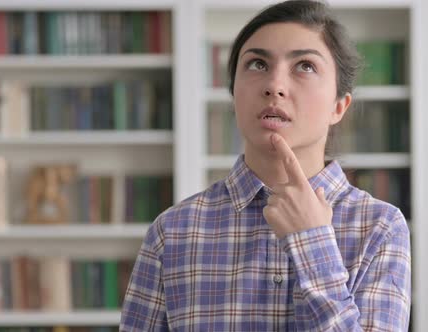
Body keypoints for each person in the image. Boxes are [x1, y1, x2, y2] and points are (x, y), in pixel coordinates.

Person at [120, 0, 411, 330]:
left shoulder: (379, 227)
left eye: (305, 66)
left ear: (339, 106)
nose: (275, 85)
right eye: (257, 64)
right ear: (234, 94)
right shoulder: (172, 232)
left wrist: (311, 241)